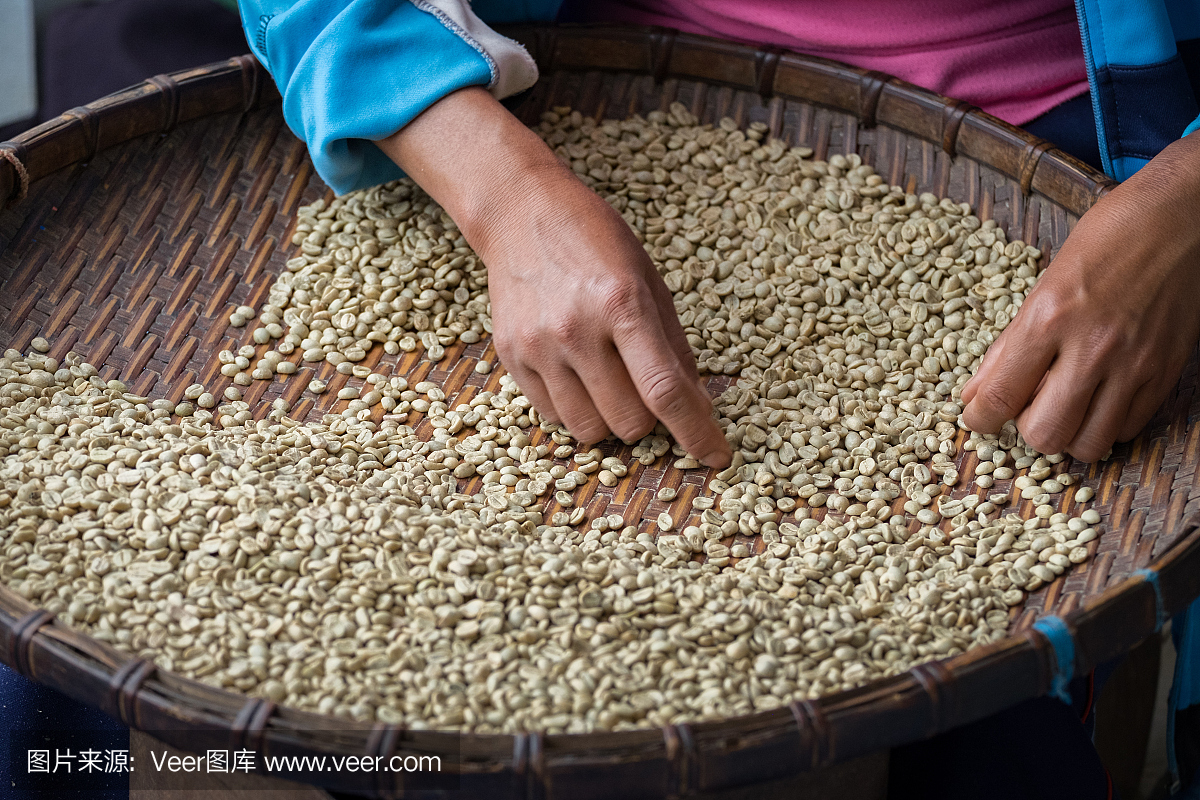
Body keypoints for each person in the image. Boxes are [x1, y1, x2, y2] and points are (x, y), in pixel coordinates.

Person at [234, 1, 1200, 795]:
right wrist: (505, 195)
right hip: (546, 91)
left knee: (987, 731)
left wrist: (1184, 204)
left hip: (1073, 139)